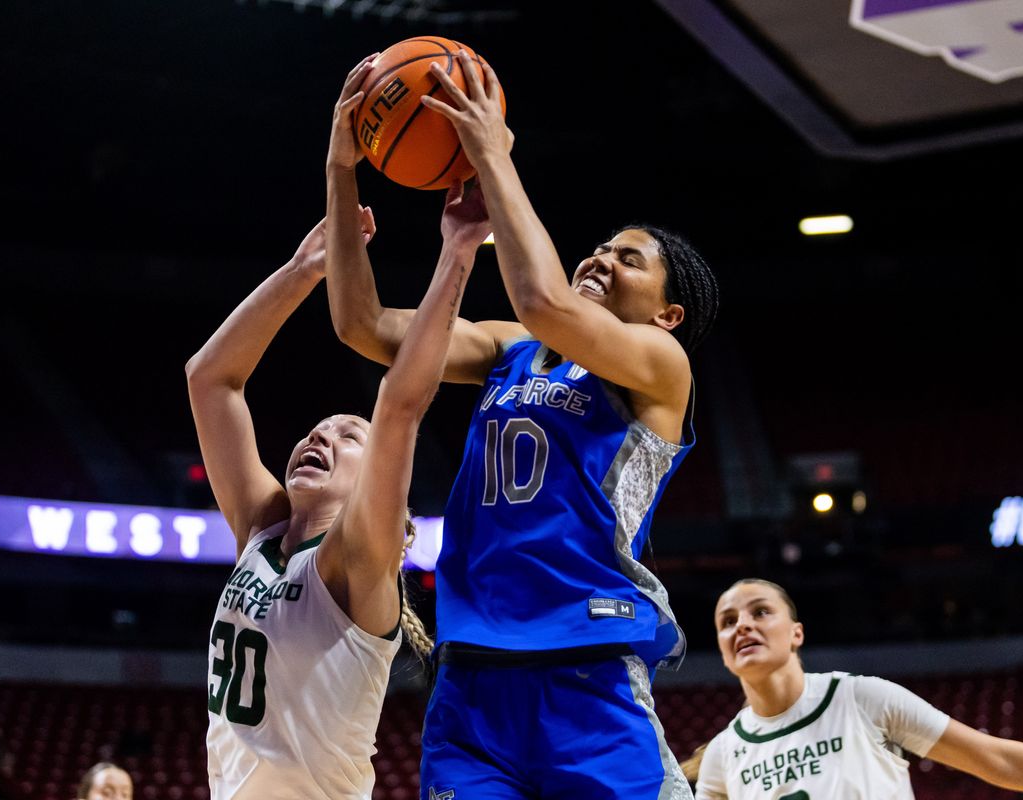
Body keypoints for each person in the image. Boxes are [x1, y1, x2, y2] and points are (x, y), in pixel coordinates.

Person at [325, 50, 719, 799]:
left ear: (667, 313)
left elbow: (543, 298)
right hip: (471, 680)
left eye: (628, 260)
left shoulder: (660, 364)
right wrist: (342, 170)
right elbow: (363, 325)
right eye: (600, 247)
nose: (602, 257)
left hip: (587, 666)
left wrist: (490, 152)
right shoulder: (512, 348)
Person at [186, 54, 491, 800]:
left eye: (346, 435)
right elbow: (210, 379)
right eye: (318, 430)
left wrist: (456, 256)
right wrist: (303, 265)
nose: (321, 436)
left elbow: (402, 401)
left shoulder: (357, 561)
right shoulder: (261, 529)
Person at [689, 578, 1023, 799]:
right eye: (728, 622)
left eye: (760, 612)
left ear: (796, 633)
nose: (742, 624)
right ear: (724, 653)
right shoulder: (726, 754)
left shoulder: (861, 698)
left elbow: (994, 758)